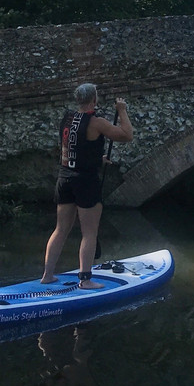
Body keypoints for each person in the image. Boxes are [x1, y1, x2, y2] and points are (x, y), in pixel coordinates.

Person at [41, 83, 134, 289]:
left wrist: (96, 158)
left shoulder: (67, 118)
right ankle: (86, 280)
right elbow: (127, 135)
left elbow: (72, 149)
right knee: (89, 232)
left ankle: (47, 275)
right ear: (94, 100)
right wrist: (122, 111)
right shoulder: (97, 122)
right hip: (85, 182)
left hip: (64, 178)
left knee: (60, 229)